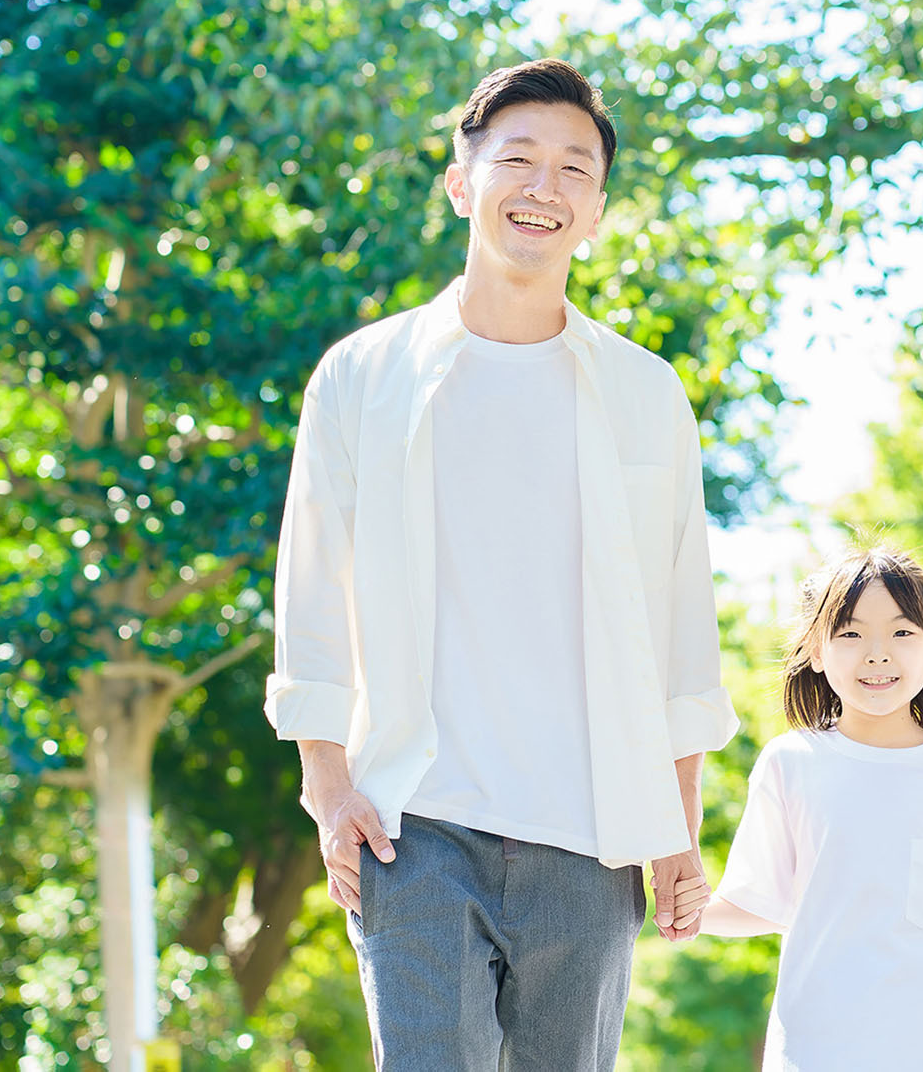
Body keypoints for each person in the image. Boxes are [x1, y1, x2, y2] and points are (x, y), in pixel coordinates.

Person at [265, 58, 737, 1069]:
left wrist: (678, 828)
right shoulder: (364, 375)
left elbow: (678, 627)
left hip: (591, 833)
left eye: (574, 169)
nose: (543, 187)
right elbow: (312, 587)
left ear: (598, 210)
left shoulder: (644, 394)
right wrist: (327, 784)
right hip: (416, 826)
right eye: (516, 159)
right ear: (460, 185)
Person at [700, 546, 923, 1071]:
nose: (877, 654)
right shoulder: (791, 761)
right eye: (850, 634)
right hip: (815, 1044)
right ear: (816, 651)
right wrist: (675, 904)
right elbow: (758, 901)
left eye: (902, 633)